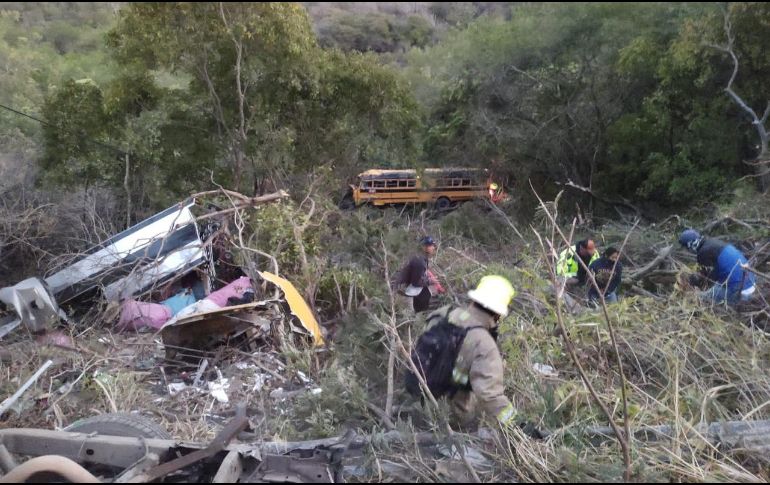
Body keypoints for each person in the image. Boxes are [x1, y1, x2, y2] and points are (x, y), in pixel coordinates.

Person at [406, 275, 518, 427]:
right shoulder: (485, 344)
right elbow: (490, 397)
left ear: (474, 300)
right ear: (498, 314)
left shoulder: (442, 314)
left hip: (414, 401)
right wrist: (518, 424)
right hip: (450, 418)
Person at [679, 229, 756, 305]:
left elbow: (709, 280)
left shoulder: (703, 253)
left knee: (699, 297)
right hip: (751, 282)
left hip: (741, 291)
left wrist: (692, 282)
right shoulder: (713, 243)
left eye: (686, 248)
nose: (687, 251)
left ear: (690, 244)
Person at [396, 236, 440, 313]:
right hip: (403, 291)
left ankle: (422, 312)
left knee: (427, 292)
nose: (433, 247)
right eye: (430, 245)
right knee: (426, 294)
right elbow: (416, 282)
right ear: (424, 247)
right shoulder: (419, 261)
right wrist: (430, 281)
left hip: (405, 286)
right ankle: (420, 313)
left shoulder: (420, 257)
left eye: (432, 245)